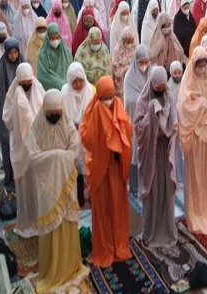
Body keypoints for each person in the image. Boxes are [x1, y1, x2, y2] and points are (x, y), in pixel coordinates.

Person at [28, 89, 89, 292]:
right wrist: (56, 156)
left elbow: (75, 149)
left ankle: (70, 268)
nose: (55, 117)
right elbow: (34, 157)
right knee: (51, 229)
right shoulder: (37, 126)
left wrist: (56, 156)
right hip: (47, 188)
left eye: (57, 113)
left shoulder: (66, 122)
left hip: (66, 186)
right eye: (51, 114)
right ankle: (52, 271)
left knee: (67, 223)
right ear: (44, 110)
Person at [80, 76, 132, 267]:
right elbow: (86, 137)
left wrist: (118, 131)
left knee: (117, 207)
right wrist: (102, 128)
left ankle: (119, 245)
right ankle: (104, 249)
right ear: (99, 96)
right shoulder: (93, 111)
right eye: (105, 97)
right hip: (101, 170)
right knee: (102, 209)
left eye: (111, 96)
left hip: (116, 169)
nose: (109, 100)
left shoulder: (118, 105)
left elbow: (128, 127)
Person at [178, 46, 207, 234]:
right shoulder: (187, 84)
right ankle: (196, 213)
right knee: (196, 176)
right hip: (195, 138)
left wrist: (205, 106)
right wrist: (201, 106)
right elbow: (184, 108)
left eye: (205, 65)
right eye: (199, 65)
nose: (203, 69)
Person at [134, 66, 178, 246]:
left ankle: (166, 229)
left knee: (167, 190)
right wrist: (152, 115)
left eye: (162, 88)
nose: (160, 91)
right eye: (157, 88)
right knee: (152, 191)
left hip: (165, 152)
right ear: (151, 85)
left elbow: (174, 121)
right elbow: (137, 128)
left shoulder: (169, 96)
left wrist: (169, 125)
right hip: (150, 155)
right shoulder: (143, 101)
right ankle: (150, 231)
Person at [3, 63, 45, 238]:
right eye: (24, 83)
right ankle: (27, 223)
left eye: (29, 81)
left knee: (39, 188)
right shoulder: (13, 94)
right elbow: (8, 119)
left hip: (38, 148)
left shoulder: (38, 89)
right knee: (25, 188)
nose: (27, 85)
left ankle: (41, 221)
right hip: (21, 148)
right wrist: (19, 109)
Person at [61, 62, 95, 207]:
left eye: (80, 80)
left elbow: (95, 113)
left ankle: (92, 195)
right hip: (72, 135)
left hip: (88, 134)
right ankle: (78, 198)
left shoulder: (91, 90)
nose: (78, 84)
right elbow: (62, 116)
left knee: (90, 164)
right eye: (74, 82)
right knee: (75, 168)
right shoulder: (64, 92)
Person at [0, 37, 23, 190]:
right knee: (8, 145)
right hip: (8, 111)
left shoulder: (22, 65)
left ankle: (22, 177)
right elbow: (0, 95)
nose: (13, 56)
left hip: (22, 112)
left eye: (15, 53)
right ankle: (9, 178)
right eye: (10, 53)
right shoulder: (1, 67)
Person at [123, 45, 151, 195]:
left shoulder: (150, 74)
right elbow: (128, 101)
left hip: (149, 121)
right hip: (135, 120)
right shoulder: (129, 77)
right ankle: (134, 186)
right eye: (141, 62)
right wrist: (143, 101)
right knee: (135, 151)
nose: (144, 65)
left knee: (148, 152)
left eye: (146, 61)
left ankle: (147, 183)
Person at [37, 23, 73, 91]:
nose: (55, 41)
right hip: (51, 87)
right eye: (52, 38)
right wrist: (60, 83)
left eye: (57, 38)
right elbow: (42, 75)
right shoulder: (43, 53)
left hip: (67, 85)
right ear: (48, 38)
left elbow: (70, 69)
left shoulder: (66, 51)